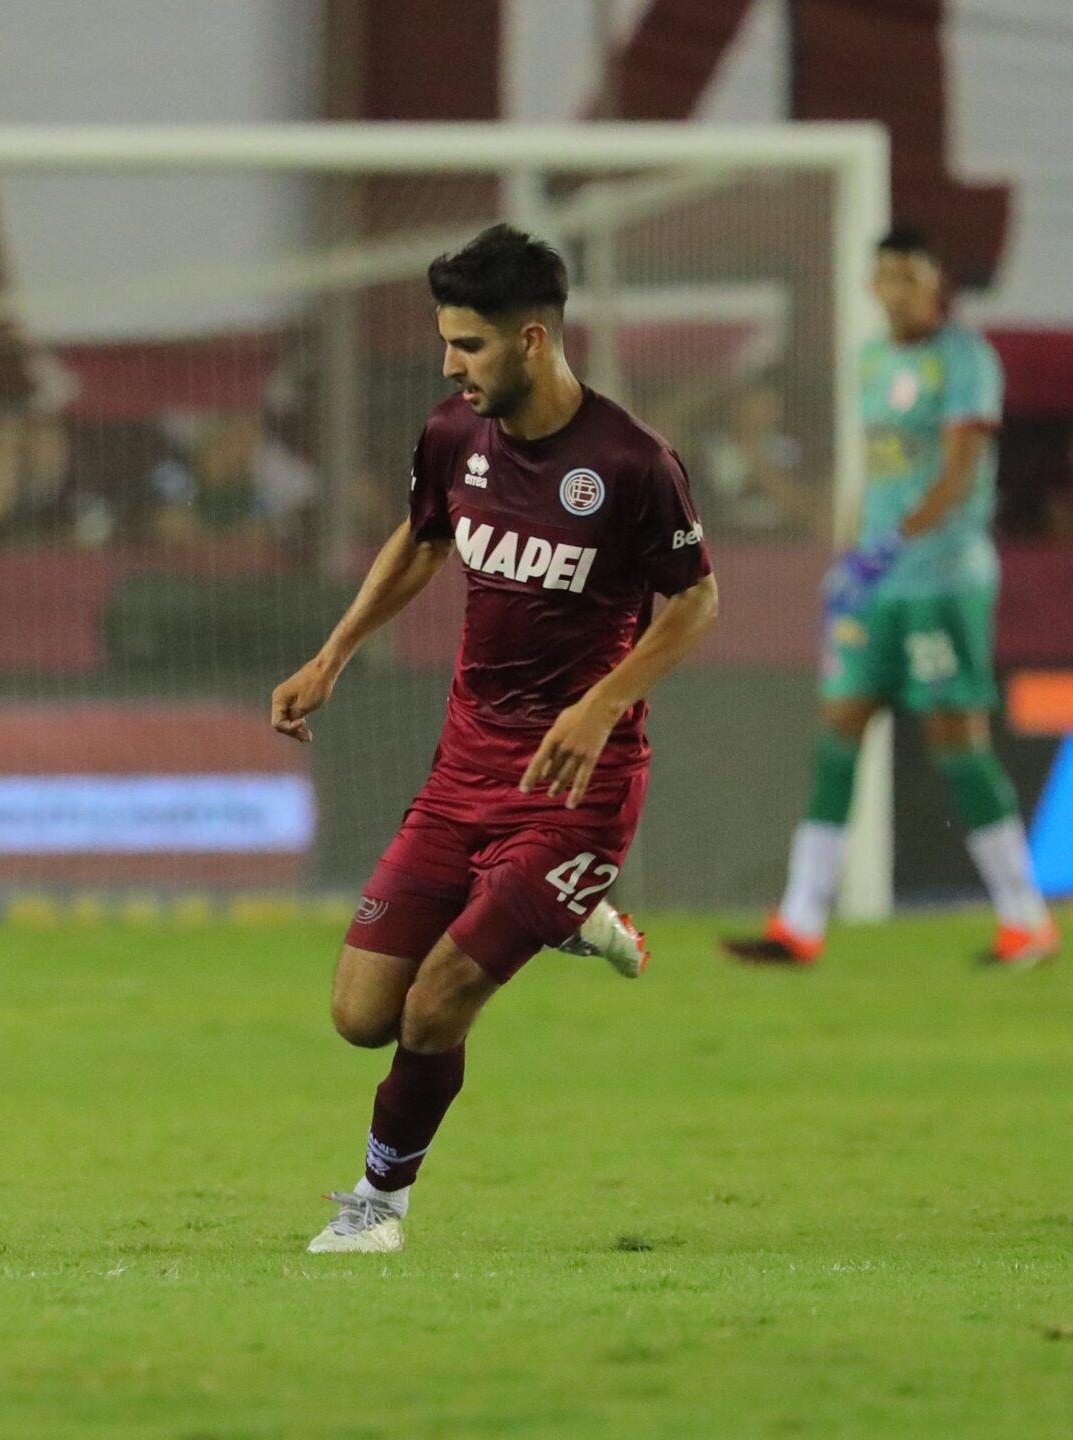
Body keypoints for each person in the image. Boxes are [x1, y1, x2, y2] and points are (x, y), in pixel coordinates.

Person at [270, 225, 720, 1253]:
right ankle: (571, 917)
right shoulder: (451, 437)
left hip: (578, 788)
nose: (447, 365)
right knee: (358, 1014)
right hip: (464, 769)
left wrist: (602, 701)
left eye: (466, 345)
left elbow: (695, 606)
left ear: (530, 339)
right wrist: (334, 653)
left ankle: (376, 1207)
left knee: (435, 1007)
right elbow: (423, 537)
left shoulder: (630, 463)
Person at [723, 227, 1056, 969]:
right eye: (887, 275)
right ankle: (799, 922)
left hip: (942, 580)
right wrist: (848, 555)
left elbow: (962, 474)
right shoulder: (870, 360)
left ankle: (1025, 920)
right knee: (838, 729)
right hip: (875, 583)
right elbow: (876, 473)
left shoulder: (964, 360)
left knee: (956, 744)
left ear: (937, 282)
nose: (898, 288)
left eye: (912, 274)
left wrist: (887, 546)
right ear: (873, 284)